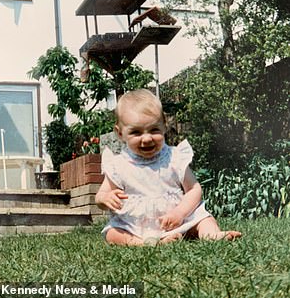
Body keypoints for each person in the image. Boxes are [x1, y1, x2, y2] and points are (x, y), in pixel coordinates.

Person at [95, 89, 242, 246]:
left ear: (164, 126)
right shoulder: (119, 165)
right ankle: (142, 243)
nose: (146, 138)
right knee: (112, 233)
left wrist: (179, 213)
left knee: (203, 218)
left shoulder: (174, 157)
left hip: (177, 220)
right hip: (136, 226)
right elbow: (102, 194)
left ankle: (211, 234)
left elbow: (194, 189)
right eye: (136, 133)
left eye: (154, 130)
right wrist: (104, 198)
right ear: (120, 133)